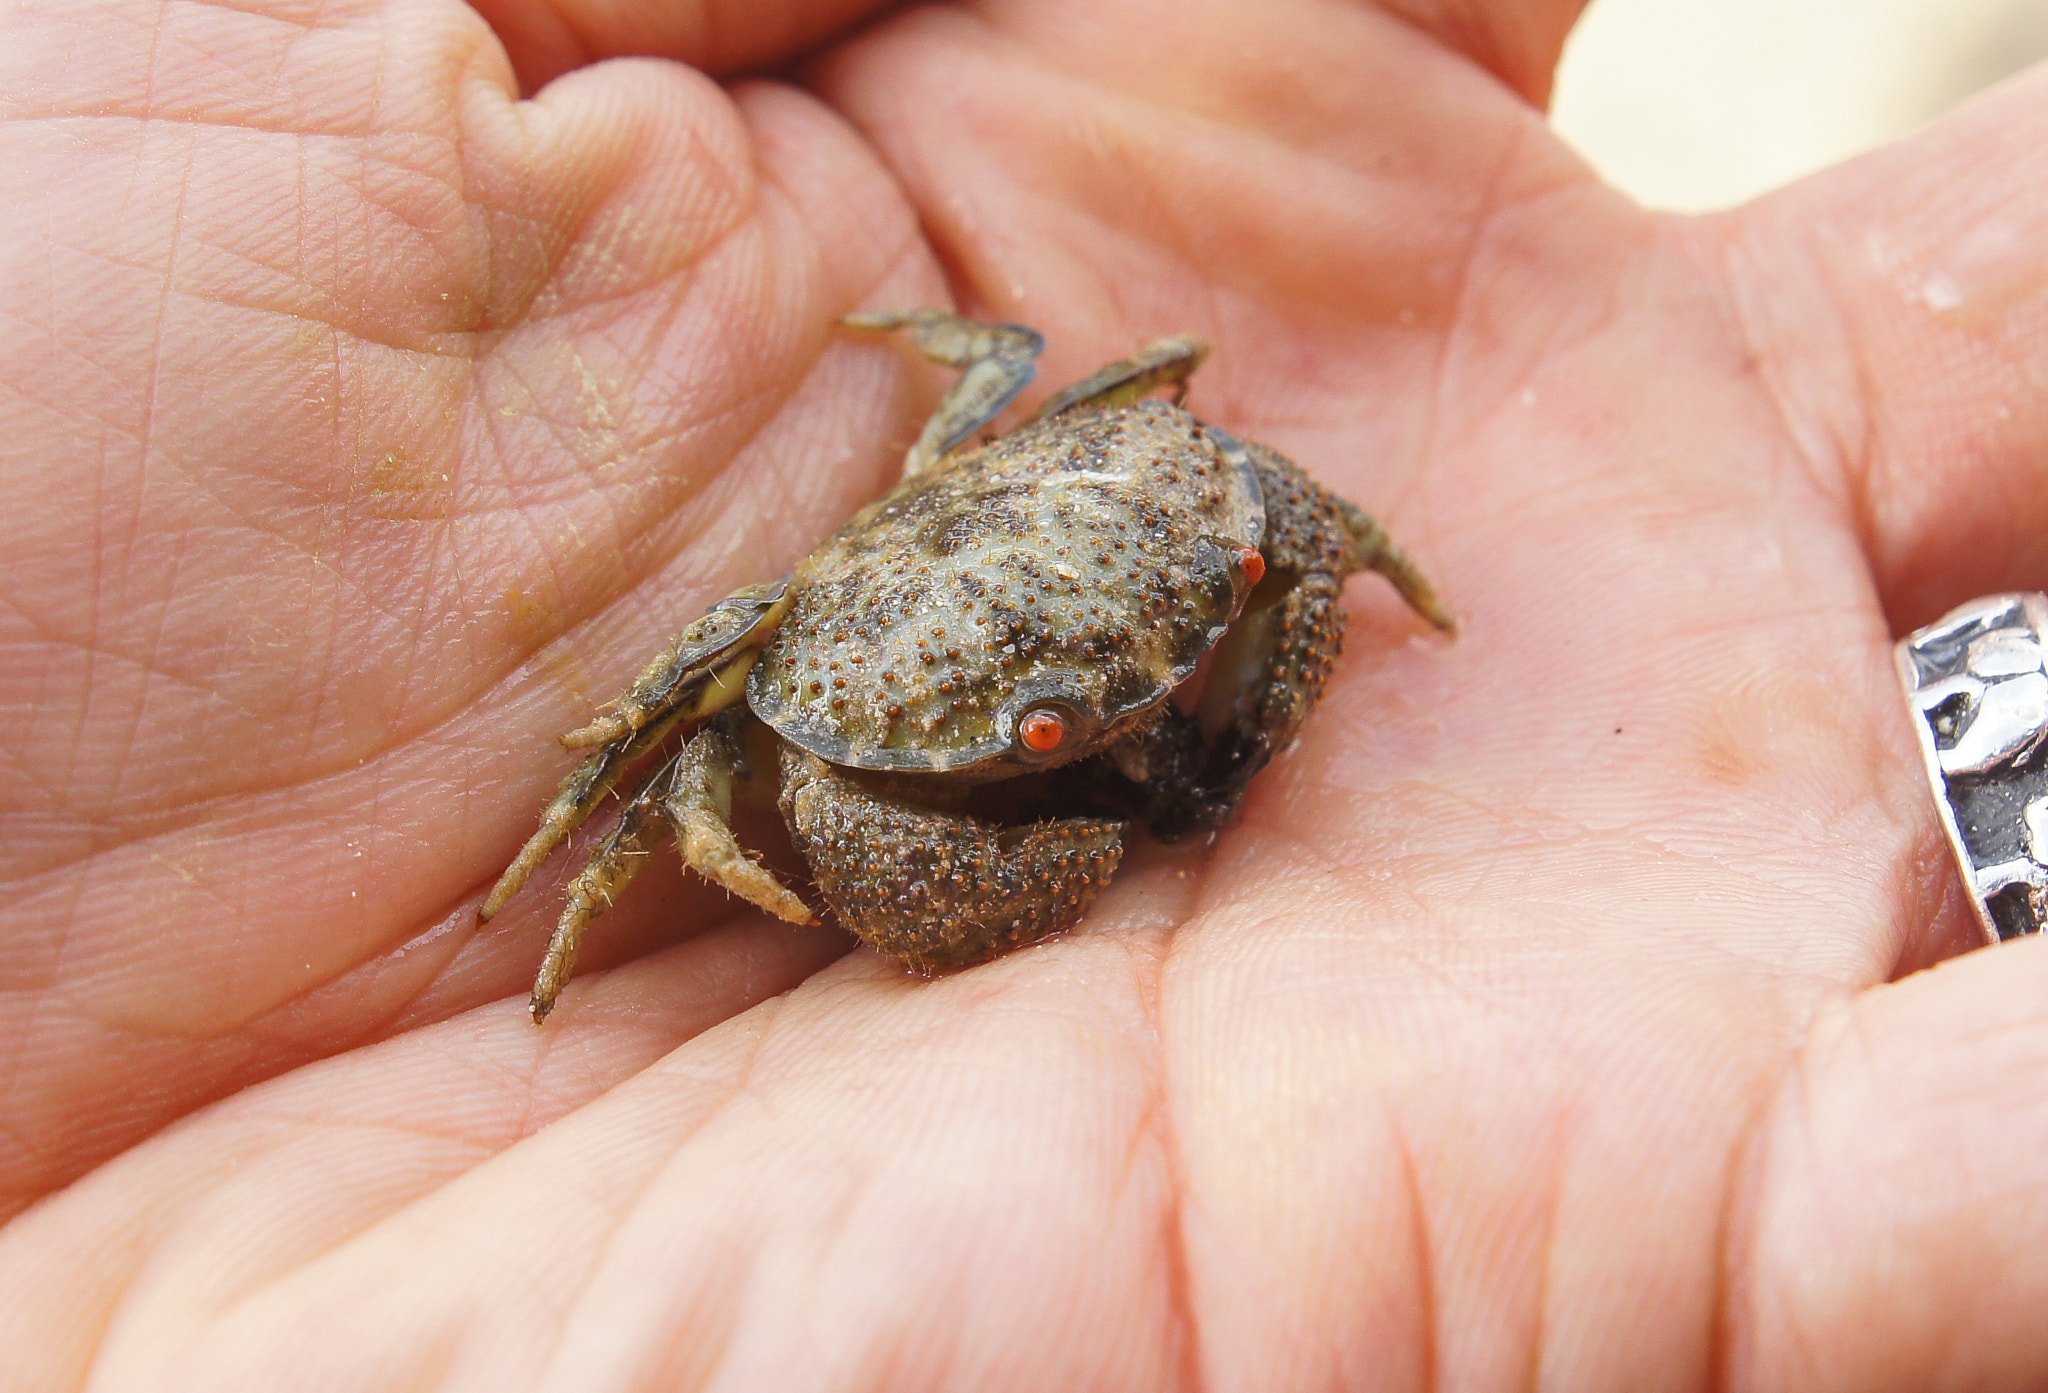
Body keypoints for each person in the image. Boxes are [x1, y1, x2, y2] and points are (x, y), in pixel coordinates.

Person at [4, 0, 2045, 1385]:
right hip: (856, 656)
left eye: (1193, 624)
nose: (1146, 704)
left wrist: (1289, 584)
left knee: (1252, 522)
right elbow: (663, 771)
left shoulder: (1140, 447)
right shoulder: (782, 701)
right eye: (1074, 728)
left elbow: (1249, 492)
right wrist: (978, 834)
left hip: (1029, 500)